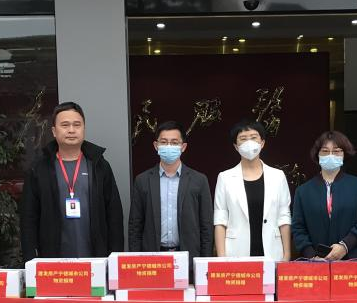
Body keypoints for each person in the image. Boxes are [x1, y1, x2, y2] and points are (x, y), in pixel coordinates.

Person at [19, 101, 125, 262]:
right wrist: (30, 258)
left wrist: (115, 256)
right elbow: (29, 217)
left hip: (96, 259)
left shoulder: (99, 165)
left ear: (84, 129)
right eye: (65, 125)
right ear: (54, 131)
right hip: (52, 259)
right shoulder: (39, 168)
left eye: (77, 125)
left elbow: (114, 215)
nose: (71, 130)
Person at [128, 120, 214, 265]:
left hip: (188, 259)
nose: (169, 146)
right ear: (156, 146)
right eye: (164, 142)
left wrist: (204, 262)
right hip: (152, 259)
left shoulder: (199, 180)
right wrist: (136, 260)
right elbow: (135, 226)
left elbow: (206, 226)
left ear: (183, 147)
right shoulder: (142, 180)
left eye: (174, 143)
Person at [213, 119, 292, 261]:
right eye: (243, 139)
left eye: (254, 137)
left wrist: (286, 255)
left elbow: (284, 217)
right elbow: (220, 220)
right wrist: (222, 258)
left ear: (262, 143)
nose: (249, 142)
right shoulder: (225, 178)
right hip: (236, 252)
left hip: (272, 251)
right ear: (236, 146)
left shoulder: (278, 176)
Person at [291, 130, 357, 260]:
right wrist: (312, 256)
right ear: (317, 155)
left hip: (354, 259)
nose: (330, 155)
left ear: (344, 154)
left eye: (336, 151)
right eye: (325, 151)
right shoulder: (303, 191)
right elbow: (298, 228)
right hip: (316, 262)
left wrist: (345, 246)